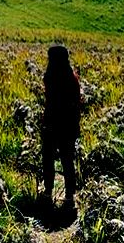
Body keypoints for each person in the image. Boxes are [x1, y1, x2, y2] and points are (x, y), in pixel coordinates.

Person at [41, 44, 81, 208]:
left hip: (53, 124)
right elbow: (76, 106)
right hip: (67, 126)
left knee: (49, 159)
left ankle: (49, 192)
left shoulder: (50, 77)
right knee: (67, 160)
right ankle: (69, 196)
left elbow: (50, 103)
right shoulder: (71, 79)